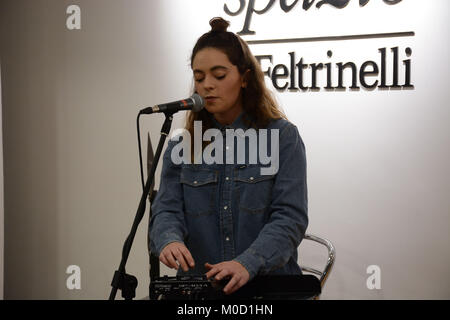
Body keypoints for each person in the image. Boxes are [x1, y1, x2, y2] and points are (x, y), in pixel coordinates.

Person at [149, 17, 308, 296]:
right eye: (199, 78)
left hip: (265, 288)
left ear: (245, 78)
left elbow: (290, 219)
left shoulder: (283, 137)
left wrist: (247, 263)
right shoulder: (181, 145)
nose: (207, 85)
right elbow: (166, 210)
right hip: (200, 292)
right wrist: (168, 239)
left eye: (219, 75)